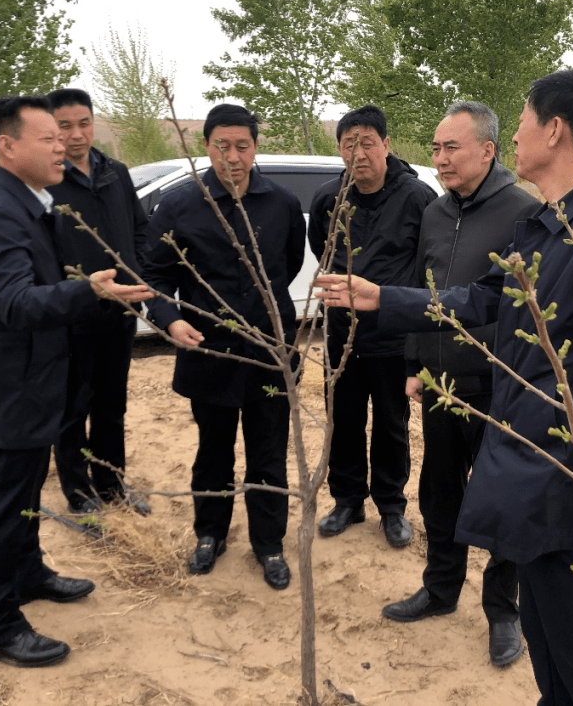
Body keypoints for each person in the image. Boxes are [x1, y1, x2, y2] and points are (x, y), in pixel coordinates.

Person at [317, 71, 573, 704]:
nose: (516, 135)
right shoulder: (551, 219)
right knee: (546, 628)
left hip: (571, 471)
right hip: (529, 461)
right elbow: (486, 298)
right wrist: (386, 299)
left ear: (555, 129)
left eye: (525, 120)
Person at [0, 95, 153, 667]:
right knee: (7, 504)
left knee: (27, 494)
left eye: (64, 136)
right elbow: (14, 302)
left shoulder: (27, 202)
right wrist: (89, 289)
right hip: (11, 388)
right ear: (8, 146)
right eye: (47, 138)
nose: (61, 145)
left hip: (35, 382)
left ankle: (29, 573)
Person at [381, 102, 541, 667]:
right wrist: (412, 363)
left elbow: (526, 308)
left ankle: (503, 612)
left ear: (488, 150)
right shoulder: (434, 211)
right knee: (440, 492)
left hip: (502, 387)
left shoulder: (526, 212)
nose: (441, 159)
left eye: (452, 148)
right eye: (436, 148)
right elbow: (424, 292)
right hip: (439, 380)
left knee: (502, 500)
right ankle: (440, 589)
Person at [141, 103, 305, 591]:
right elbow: (154, 275)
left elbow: (288, 265)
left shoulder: (280, 204)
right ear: (205, 146)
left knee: (268, 454)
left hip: (268, 352)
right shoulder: (179, 205)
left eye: (243, 145)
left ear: (255, 147)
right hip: (208, 351)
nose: (232, 157)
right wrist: (170, 322)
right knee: (212, 452)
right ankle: (209, 534)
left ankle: (269, 544)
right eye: (221, 145)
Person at [307, 104, 437, 548]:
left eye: (367, 142)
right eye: (349, 144)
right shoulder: (330, 199)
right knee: (342, 419)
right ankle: (347, 500)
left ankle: (391, 505)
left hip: (391, 335)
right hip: (339, 334)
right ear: (340, 150)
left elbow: (427, 268)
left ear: (385, 144)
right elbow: (320, 249)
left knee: (390, 423)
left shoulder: (417, 197)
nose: (358, 153)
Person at [46, 88, 151, 516]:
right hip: (73, 313)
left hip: (119, 311)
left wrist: (138, 273)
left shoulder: (115, 173)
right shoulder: (49, 180)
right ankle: (78, 491)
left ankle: (112, 484)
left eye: (83, 123)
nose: (76, 135)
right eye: (64, 126)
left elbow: (140, 228)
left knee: (112, 404)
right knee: (73, 407)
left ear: (94, 123)